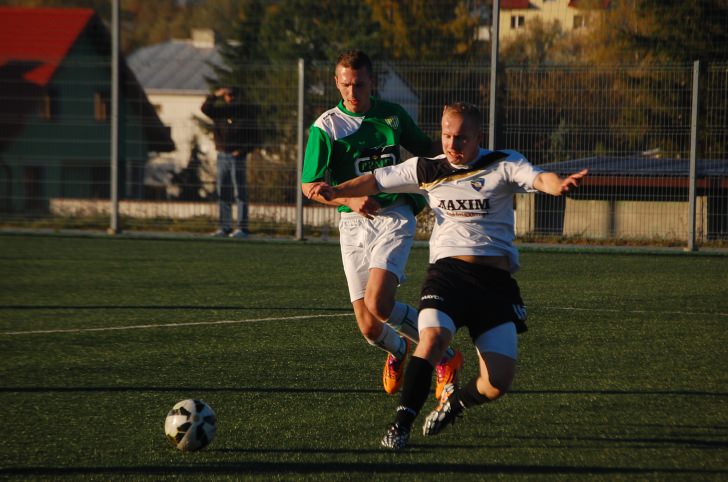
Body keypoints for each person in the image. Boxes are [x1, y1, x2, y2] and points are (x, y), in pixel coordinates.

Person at [307, 101, 588, 450]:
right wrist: (338, 191)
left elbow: (538, 178)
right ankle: (400, 425)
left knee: (497, 382)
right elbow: (376, 179)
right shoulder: (427, 168)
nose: (452, 145)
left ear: (478, 138)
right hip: (449, 275)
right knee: (433, 338)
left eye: (461, 138)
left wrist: (558, 185)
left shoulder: (502, 162)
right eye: (446, 136)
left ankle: (456, 403)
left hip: (495, 285)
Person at [301, 50, 464, 400]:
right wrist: (348, 200)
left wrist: (456, 159)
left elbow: (426, 154)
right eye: (345, 84)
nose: (352, 92)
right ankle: (400, 351)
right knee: (369, 327)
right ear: (336, 82)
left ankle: (445, 356)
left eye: (359, 84)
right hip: (352, 224)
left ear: (372, 82)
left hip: (394, 217)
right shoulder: (325, 127)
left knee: (379, 301)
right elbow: (309, 187)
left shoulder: (392, 115)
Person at [201, 86, 257, 238]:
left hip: (237, 157)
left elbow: (255, 137)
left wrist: (242, 151)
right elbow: (205, 108)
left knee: (240, 192)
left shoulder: (246, 114)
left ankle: (242, 228)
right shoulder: (220, 113)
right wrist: (214, 95)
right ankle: (224, 227)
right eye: (227, 95)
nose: (230, 98)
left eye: (233, 95)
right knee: (223, 191)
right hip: (222, 156)